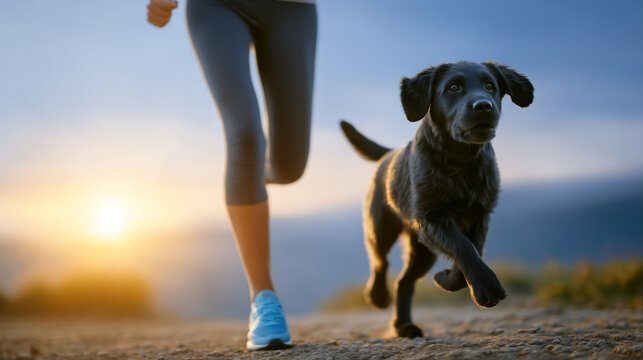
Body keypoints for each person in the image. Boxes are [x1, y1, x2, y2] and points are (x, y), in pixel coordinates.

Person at [146, 0, 317, 351]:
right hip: (216, 6)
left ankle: (252, 177)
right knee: (246, 135)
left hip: (292, 9)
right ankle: (263, 299)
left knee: (290, 167)